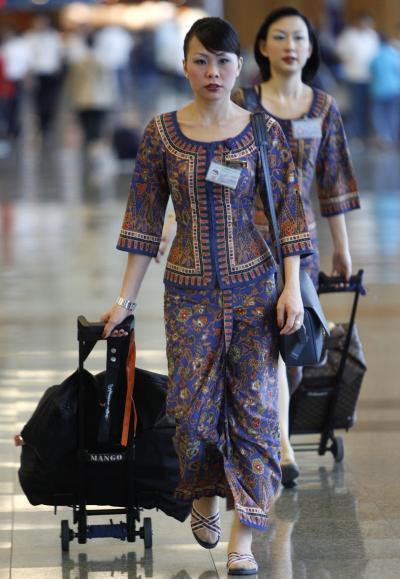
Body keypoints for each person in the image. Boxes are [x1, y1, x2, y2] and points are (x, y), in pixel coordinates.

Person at [101, 16, 313, 576]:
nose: (212, 72)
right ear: (185, 65)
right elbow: (143, 221)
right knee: (192, 414)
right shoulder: (161, 133)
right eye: (201, 60)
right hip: (188, 295)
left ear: (240, 66)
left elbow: (291, 217)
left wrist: (291, 286)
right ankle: (203, 493)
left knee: (256, 416)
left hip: (255, 293)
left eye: (223, 62)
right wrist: (123, 302)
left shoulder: (263, 132)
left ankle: (242, 540)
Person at [232, 6, 360, 487]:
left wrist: (341, 248)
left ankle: (277, 436)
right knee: (256, 349)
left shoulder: (323, 108)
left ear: (311, 49)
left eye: (299, 38)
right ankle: (279, 447)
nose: (290, 45)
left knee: (293, 345)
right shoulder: (243, 102)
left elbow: (334, 182)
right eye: (279, 37)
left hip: (298, 246)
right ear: (262, 47)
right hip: (243, 244)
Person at [335, 11, 379, 142]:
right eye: (364, 22)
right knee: (355, 105)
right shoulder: (349, 35)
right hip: (353, 76)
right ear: (359, 22)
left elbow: (375, 54)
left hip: (370, 77)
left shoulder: (373, 35)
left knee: (367, 106)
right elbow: (339, 52)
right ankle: (354, 133)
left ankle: (365, 132)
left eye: (369, 23)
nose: (366, 25)